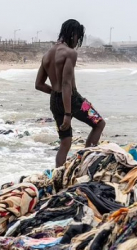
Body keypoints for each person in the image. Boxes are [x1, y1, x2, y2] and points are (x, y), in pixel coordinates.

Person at [35, 19, 105, 167]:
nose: (77, 42)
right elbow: (66, 83)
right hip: (73, 100)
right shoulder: (69, 53)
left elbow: (39, 85)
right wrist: (68, 113)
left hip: (55, 101)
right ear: (73, 34)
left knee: (65, 142)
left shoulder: (47, 55)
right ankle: (86, 164)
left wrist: (56, 95)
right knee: (99, 123)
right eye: (78, 37)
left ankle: (59, 177)